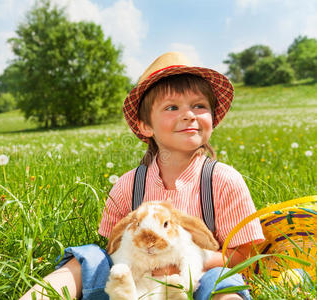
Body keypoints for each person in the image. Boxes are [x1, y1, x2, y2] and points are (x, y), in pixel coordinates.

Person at [20, 52, 265, 300]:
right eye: (172, 107)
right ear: (145, 126)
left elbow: (244, 257)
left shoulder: (223, 181)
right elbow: (112, 247)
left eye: (199, 105)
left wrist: (182, 259)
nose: (189, 114)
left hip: (195, 283)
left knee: (222, 280)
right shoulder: (129, 185)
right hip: (136, 288)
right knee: (88, 258)